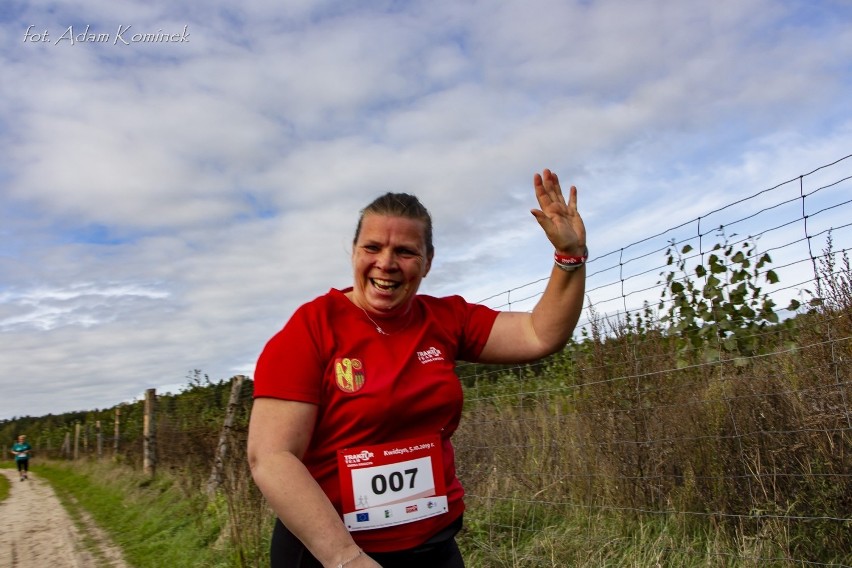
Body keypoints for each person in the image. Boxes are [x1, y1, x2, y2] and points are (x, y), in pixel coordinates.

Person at [249, 169, 587, 568]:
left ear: (427, 262)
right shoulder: (310, 330)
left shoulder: (445, 319)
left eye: (406, 252)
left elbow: (538, 334)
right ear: (354, 252)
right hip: (328, 554)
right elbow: (271, 457)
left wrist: (570, 257)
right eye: (372, 247)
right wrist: (345, 557)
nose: (386, 263)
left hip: (432, 545)